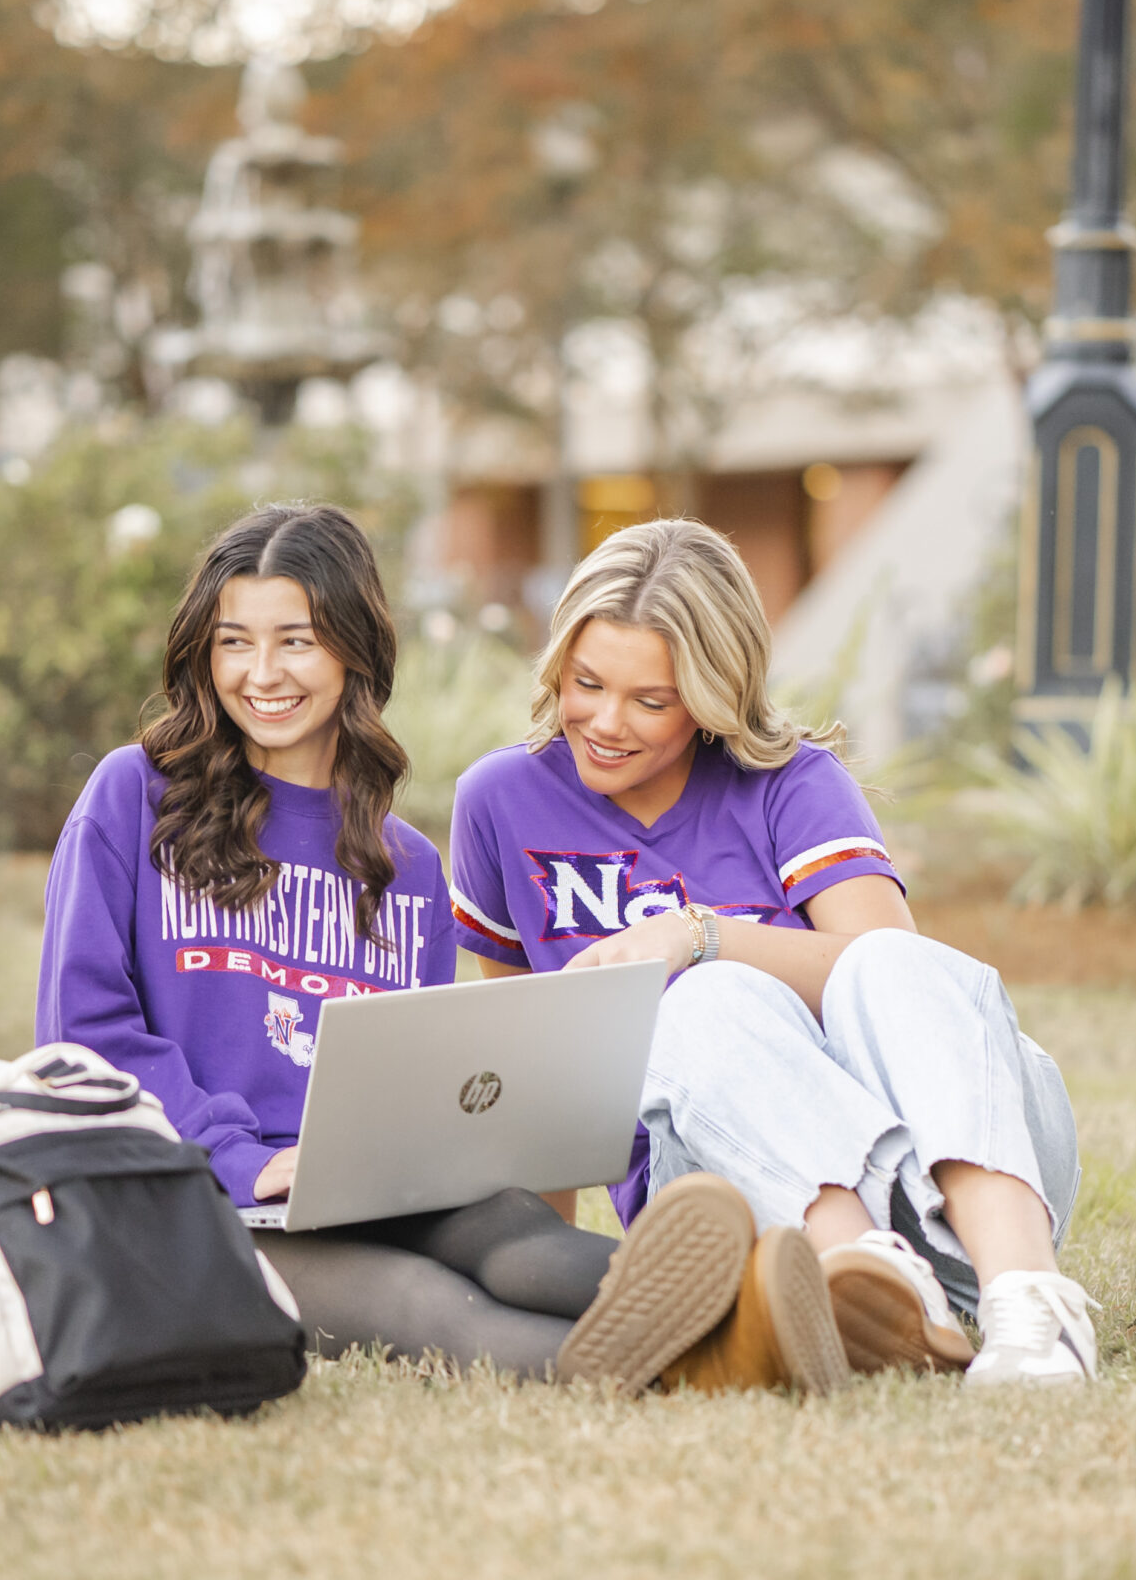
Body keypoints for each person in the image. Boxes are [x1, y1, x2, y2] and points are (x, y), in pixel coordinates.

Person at [36, 503, 770, 1388]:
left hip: (362, 1188)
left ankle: (773, 1303)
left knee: (515, 1238)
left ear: (354, 649)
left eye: (296, 642)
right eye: (234, 642)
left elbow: (424, 1087)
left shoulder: (407, 868)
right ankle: (725, 1363)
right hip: (188, 1196)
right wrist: (246, 1159)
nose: (261, 673)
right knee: (426, 1304)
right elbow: (84, 1037)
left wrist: (408, 1162)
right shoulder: (135, 796)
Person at [449, 518, 1098, 1388]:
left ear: (712, 695)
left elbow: (892, 981)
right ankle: (863, 1280)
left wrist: (698, 935)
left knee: (827, 967)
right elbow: (537, 1062)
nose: (604, 722)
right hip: (731, 1198)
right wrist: (542, 1261)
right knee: (699, 1001)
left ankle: (1029, 1299)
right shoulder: (501, 801)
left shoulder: (792, 784)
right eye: (586, 682)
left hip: (950, 1182)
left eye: (651, 701)